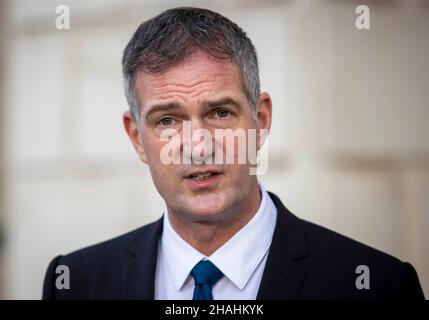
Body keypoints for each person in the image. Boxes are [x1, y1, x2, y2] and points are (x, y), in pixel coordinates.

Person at [42, 7, 424, 300]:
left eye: (220, 113)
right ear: (136, 137)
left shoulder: (377, 287)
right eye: (167, 120)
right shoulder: (76, 283)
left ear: (260, 119)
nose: (198, 146)